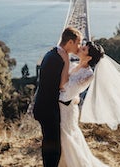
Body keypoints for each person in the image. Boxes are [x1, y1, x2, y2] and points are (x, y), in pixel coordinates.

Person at [33, 26, 82, 167]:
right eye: (77, 43)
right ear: (70, 42)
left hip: (44, 107)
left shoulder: (53, 53)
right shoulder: (58, 58)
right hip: (47, 109)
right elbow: (63, 85)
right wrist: (67, 62)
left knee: (50, 145)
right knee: (53, 148)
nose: (78, 47)